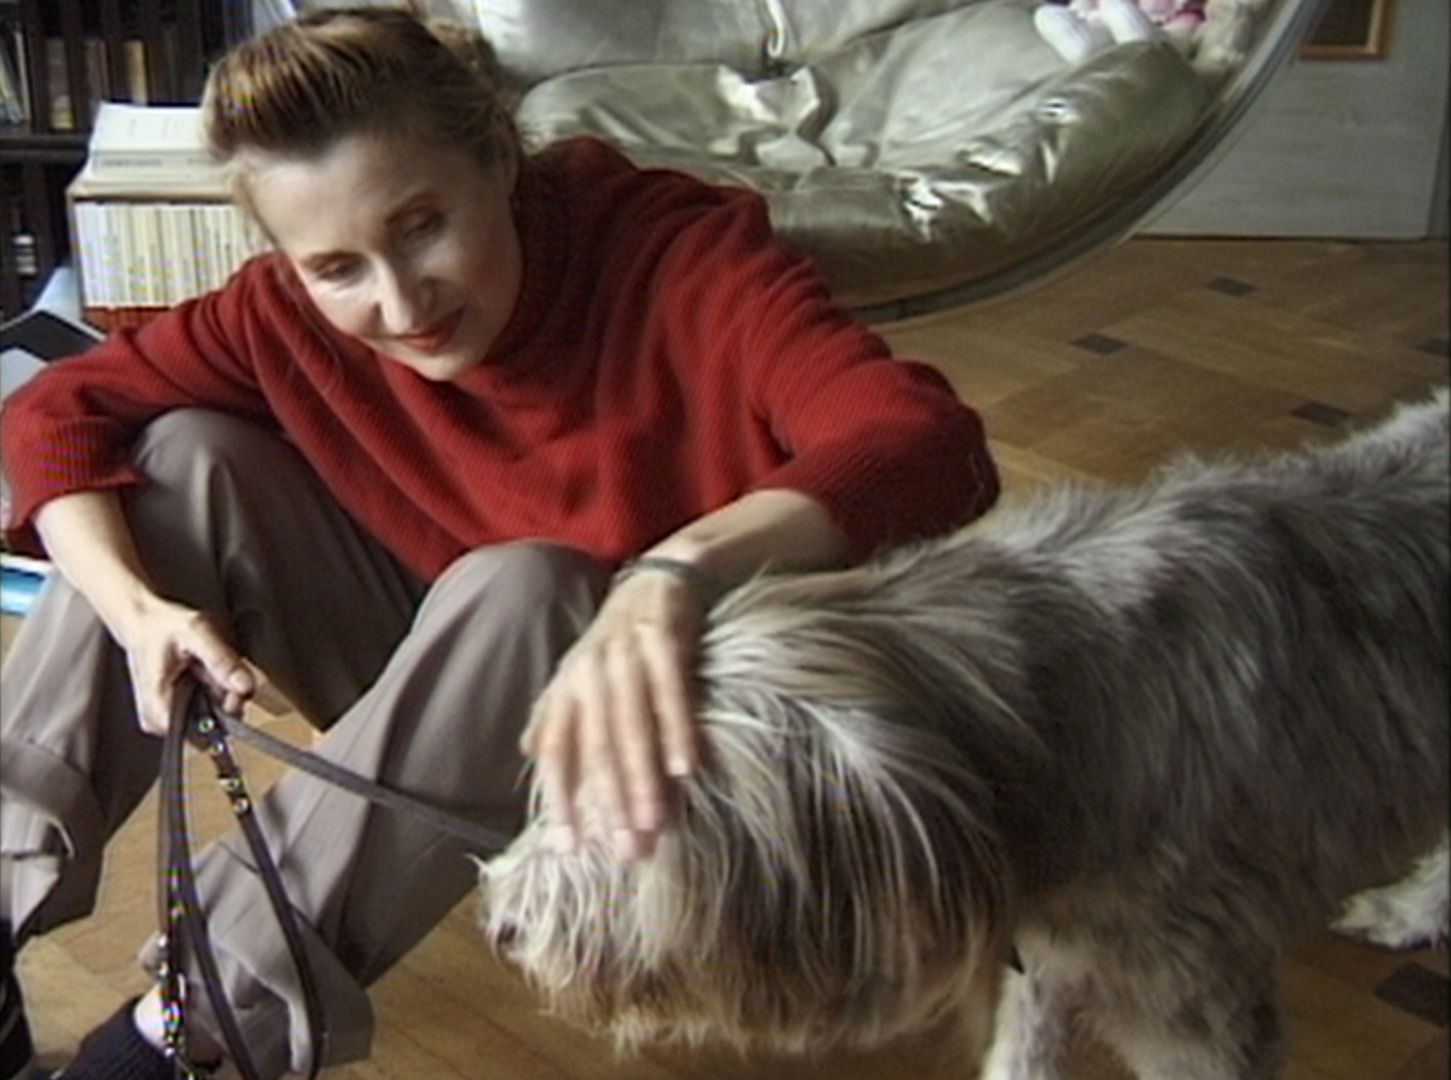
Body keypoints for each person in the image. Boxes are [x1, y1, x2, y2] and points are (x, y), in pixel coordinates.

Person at [0, 6, 999, 1078]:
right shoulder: (282, 312)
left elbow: (922, 443)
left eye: (423, 226)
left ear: (497, 158)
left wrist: (671, 574)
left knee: (530, 587)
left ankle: (182, 1039)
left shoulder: (679, 254)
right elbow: (54, 412)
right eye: (336, 268)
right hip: (459, 708)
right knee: (182, 460)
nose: (399, 303)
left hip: (667, 755)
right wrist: (137, 612)